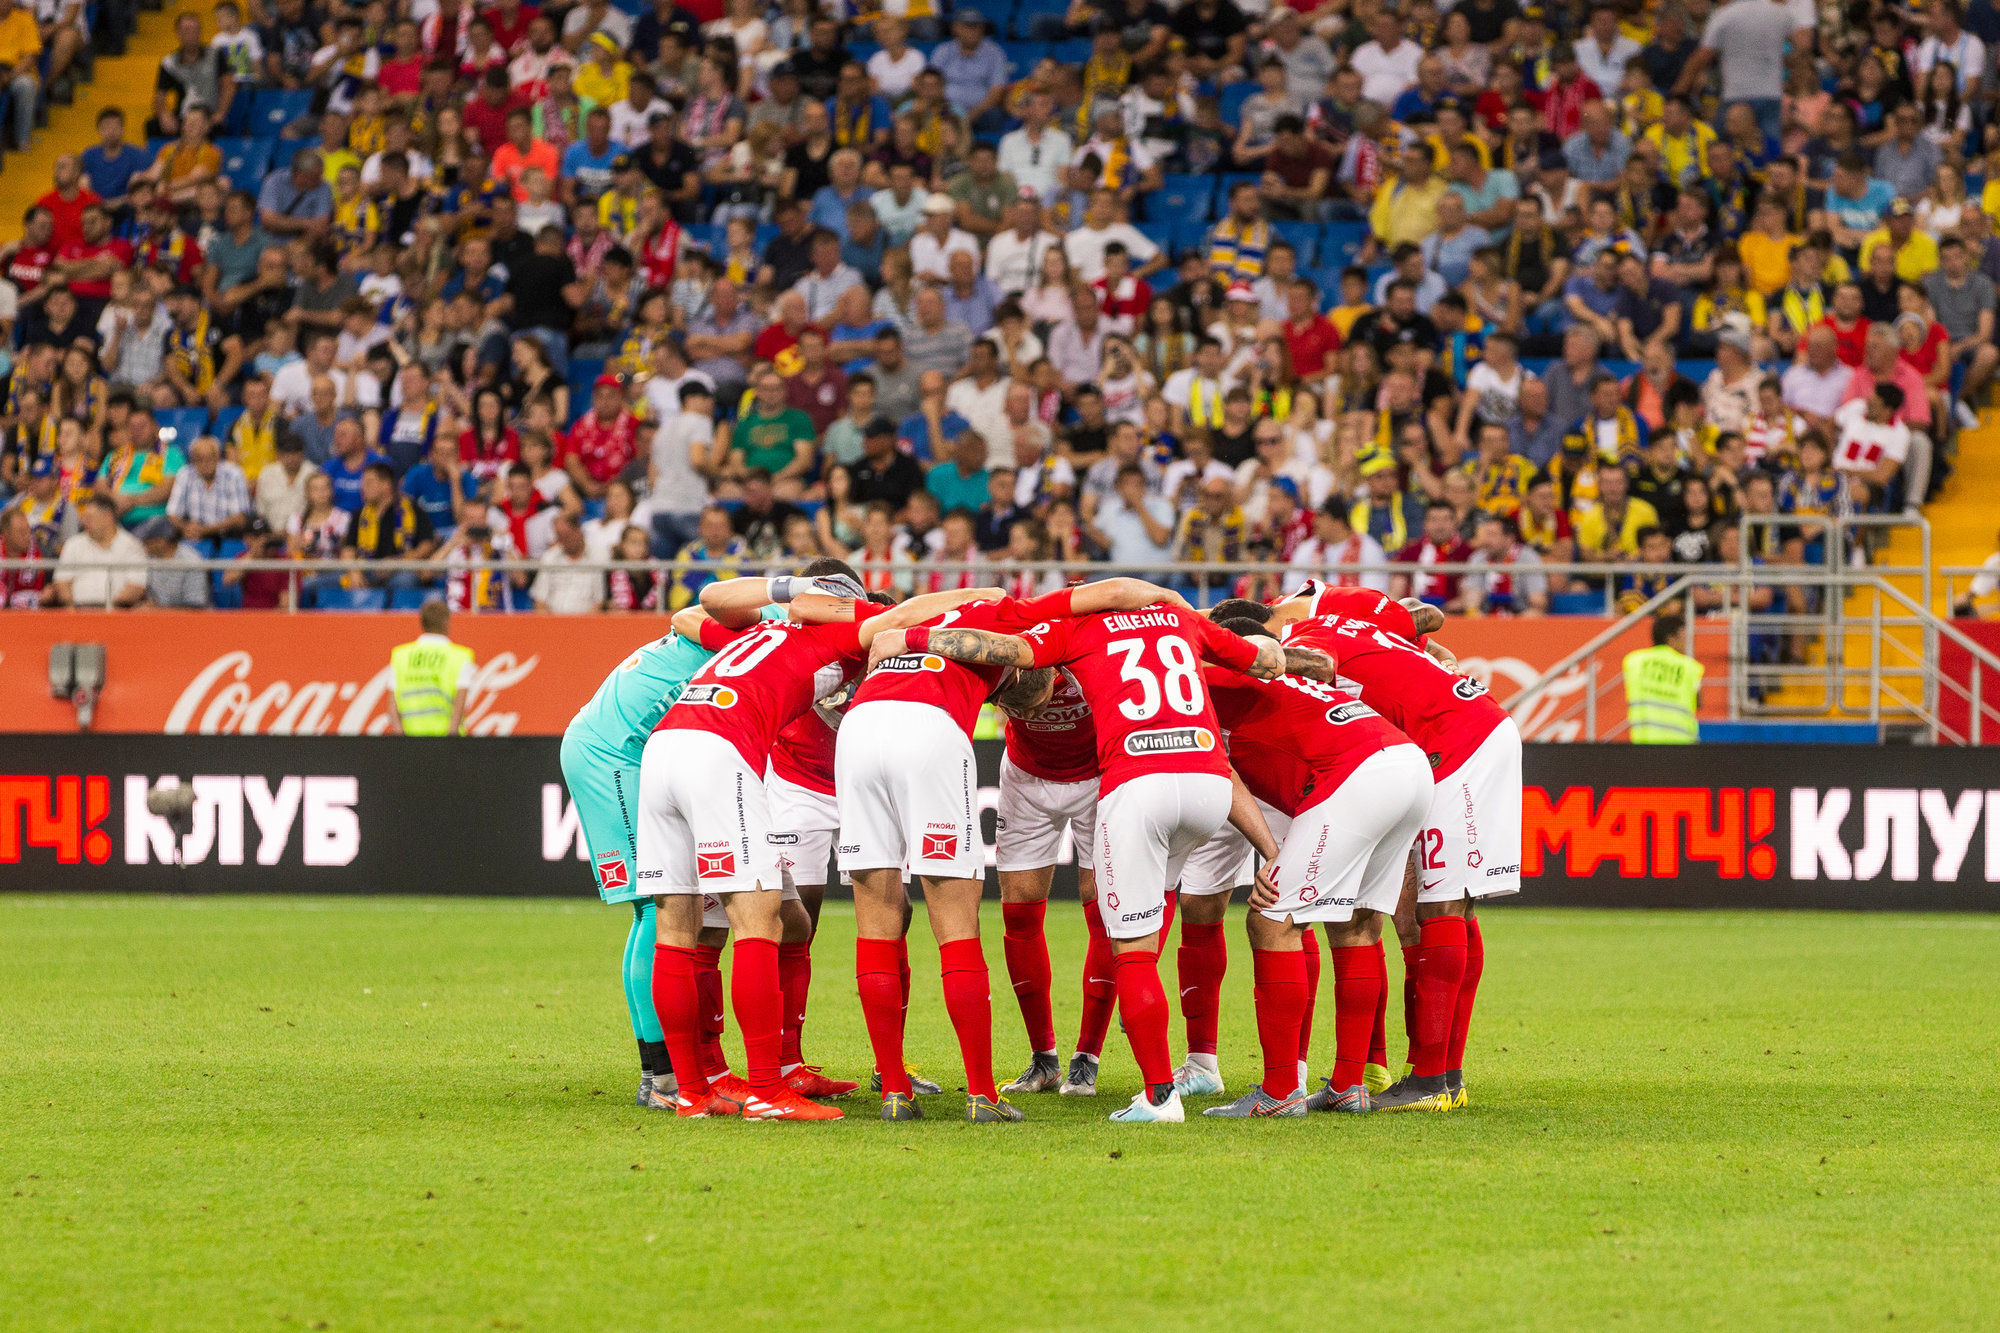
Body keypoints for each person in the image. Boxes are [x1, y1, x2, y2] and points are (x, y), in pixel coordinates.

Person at [387, 599, 477, 736]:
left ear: (422, 622)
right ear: (447, 622)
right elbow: (459, 708)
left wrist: (403, 743)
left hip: (410, 744)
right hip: (445, 745)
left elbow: (392, 710)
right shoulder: (460, 657)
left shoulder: (400, 656)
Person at [1622, 612, 1703, 743]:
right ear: (1671, 638)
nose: (1687, 642)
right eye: (1684, 636)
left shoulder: (1633, 661)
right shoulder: (1689, 667)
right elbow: (1698, 703)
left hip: (1643, 743)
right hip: (1681, 745)